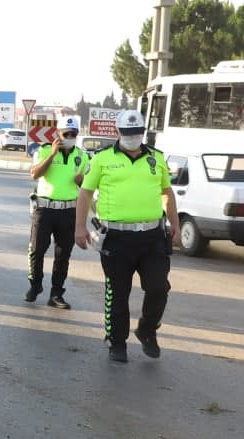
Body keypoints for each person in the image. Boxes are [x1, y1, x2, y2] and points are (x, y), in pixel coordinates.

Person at [73, 109, 180, 363]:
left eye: (137, 133)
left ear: (143, 132)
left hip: (152, 237)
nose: (132, 137)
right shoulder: (102, 158)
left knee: (158, 287)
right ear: (118, 132)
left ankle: (147, 329)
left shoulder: (156, 158)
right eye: (127, 133)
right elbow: (85, 193)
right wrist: (79, 227)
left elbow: (166, 192)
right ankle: (117, 342)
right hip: (116, 238)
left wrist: (174, 222)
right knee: (118, 292)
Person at [25, 116, 86, 309]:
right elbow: (35, 174)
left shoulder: (82, 156)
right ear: (58, 134)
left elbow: (88, 185)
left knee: (63, 254)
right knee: (37, 250)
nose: (69, 137)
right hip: (45, 209)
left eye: (73, 134)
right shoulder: (43, 150)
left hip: (69, 210)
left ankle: (56, 294)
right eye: (66, 134)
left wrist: (82, 181)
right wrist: (52, 155)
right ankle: (35, 285)